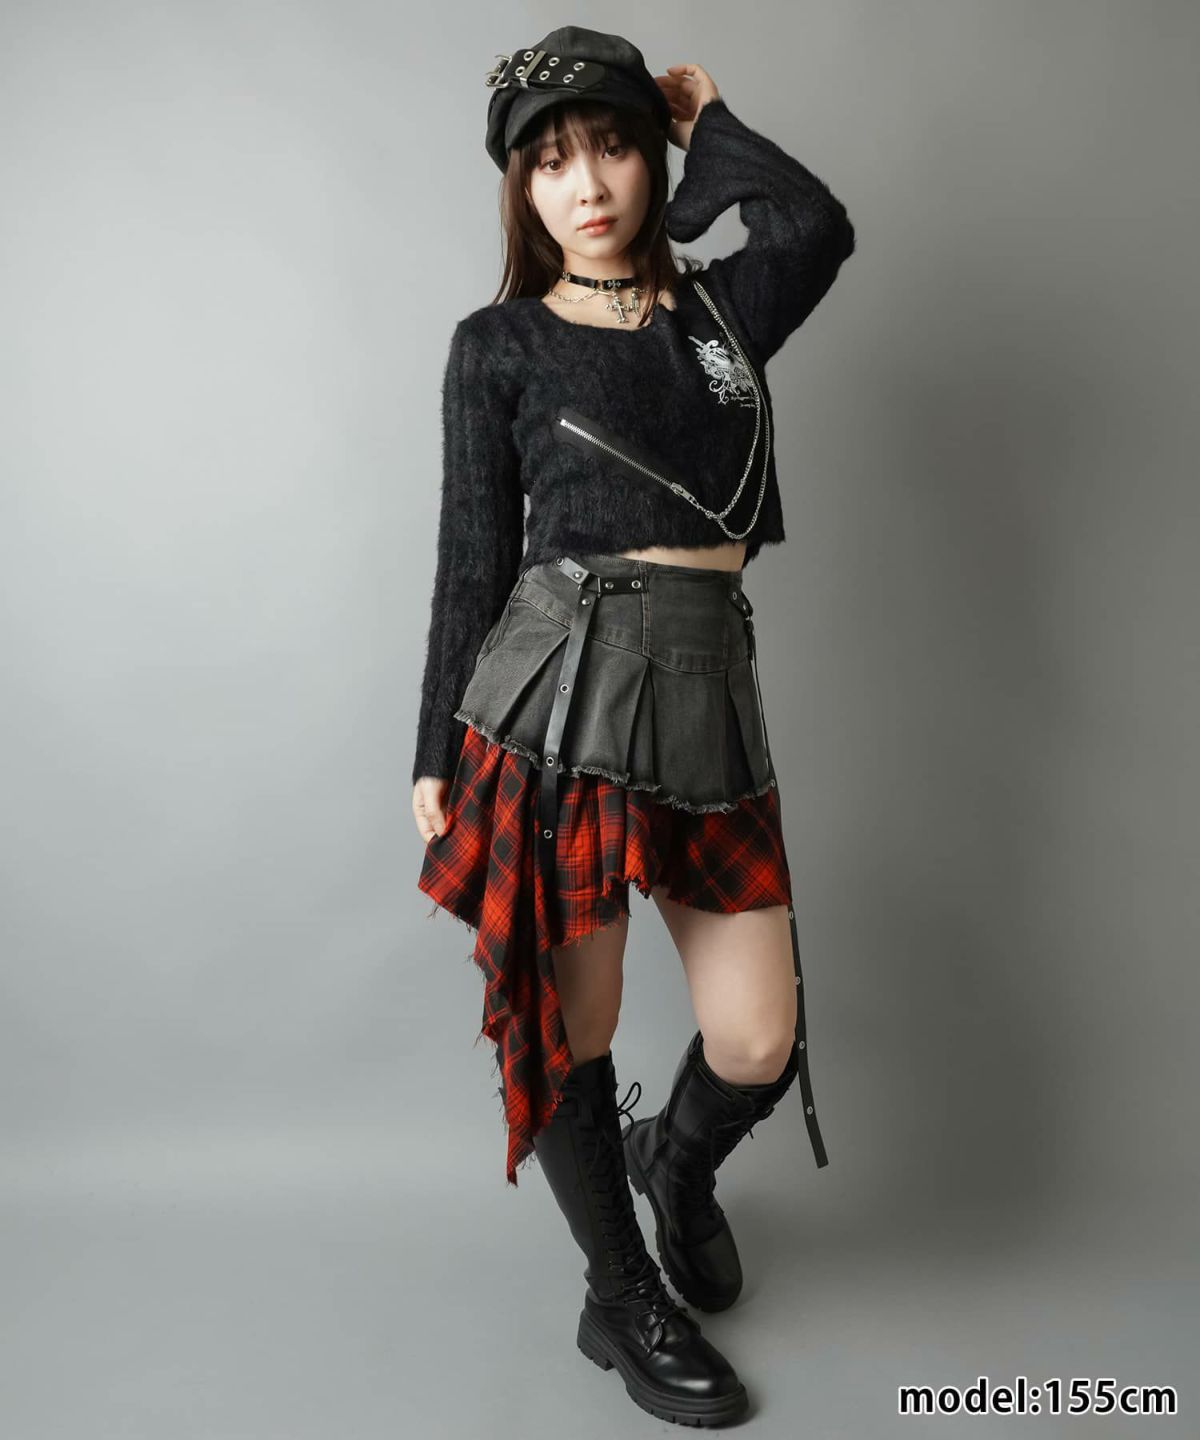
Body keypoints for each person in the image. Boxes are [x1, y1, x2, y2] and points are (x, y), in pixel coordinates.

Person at [410, 27, 855, 1427]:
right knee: (576, 1019)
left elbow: (815, 225)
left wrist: (709, 115)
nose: (586, 185)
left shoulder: (718, 320)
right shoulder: (498, 344)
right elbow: (472, 560)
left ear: (651, 160)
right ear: (520, 189)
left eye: (610, 146)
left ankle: (677, 1165)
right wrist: (433, 750)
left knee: (757, 1038)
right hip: (564, 692)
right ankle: (621, 1293)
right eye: (549, 162)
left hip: (709, 686)